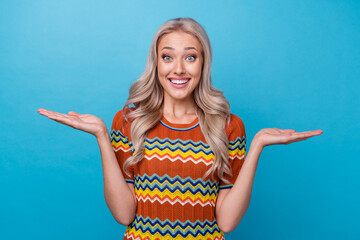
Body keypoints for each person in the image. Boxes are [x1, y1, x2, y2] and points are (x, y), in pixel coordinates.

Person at [38, 17, 322, 240]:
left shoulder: (228, 127)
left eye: (190, 57)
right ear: (156, 63)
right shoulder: (128, 123)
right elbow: (124, 215)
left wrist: (258, 145)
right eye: (167, 57)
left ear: (203, 63)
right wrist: (101, 135)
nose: (178, 69)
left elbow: (227, 222)